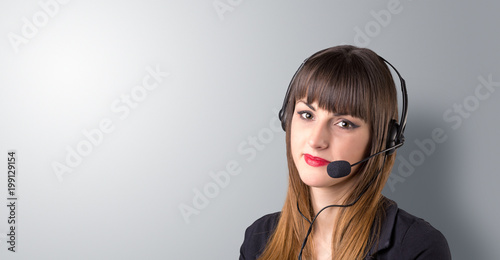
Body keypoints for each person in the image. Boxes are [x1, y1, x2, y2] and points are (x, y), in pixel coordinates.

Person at [239, 45, 451, 259]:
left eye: (343, 123)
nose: (315, 140)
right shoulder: (259, 238)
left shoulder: (418, 247)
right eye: (306, 115)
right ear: (287, 118)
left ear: (383, 140)